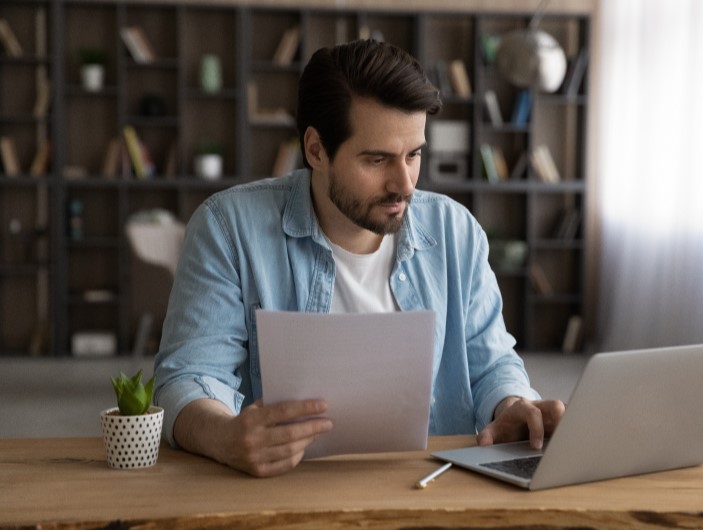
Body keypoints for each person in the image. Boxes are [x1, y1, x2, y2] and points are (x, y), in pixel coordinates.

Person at [154, 38, 565, 478]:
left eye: (414, 154)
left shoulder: (455, 231)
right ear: (316, 150)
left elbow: (491, 362)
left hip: (429, 487)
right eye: (377, 160)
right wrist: (225, 436)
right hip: (285, 490)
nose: (404, 183)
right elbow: (187, 377)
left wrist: (514, 404)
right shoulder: (228, 227)